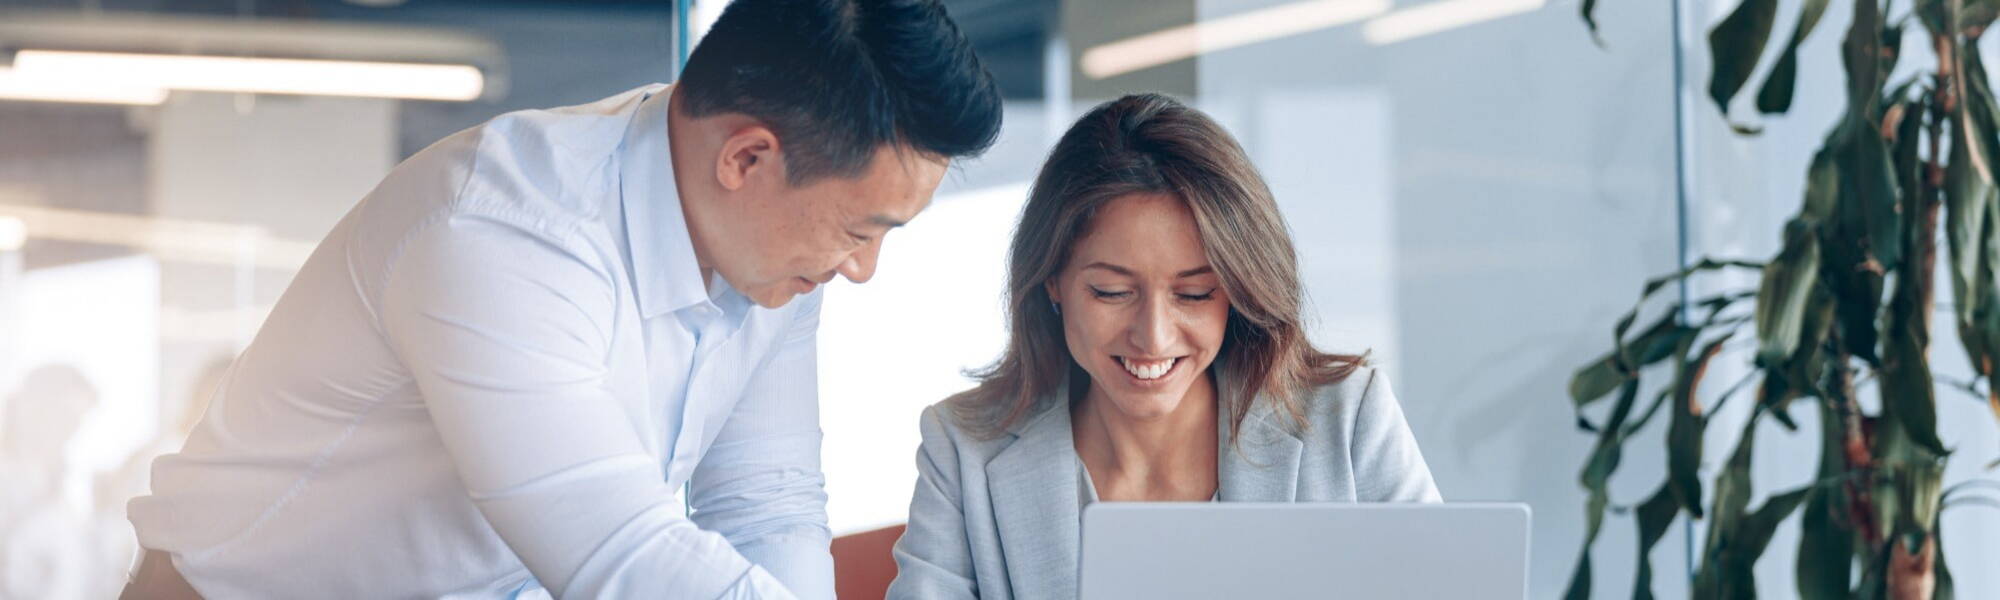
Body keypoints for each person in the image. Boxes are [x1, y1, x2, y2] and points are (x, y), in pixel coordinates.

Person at [123, 0, 1002, 598]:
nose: (864, 268)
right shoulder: (498, 231)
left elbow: (765, 502)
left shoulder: (775, 253)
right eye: (862, 229)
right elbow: (621, 552)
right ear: (747, 158)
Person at [886, 94, 1439, 600]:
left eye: (1194, 294)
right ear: (1051, 280)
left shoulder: (1349, 420)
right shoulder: (964, 451)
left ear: (1239, 290)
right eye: (1112, 292)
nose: (1153, 336)